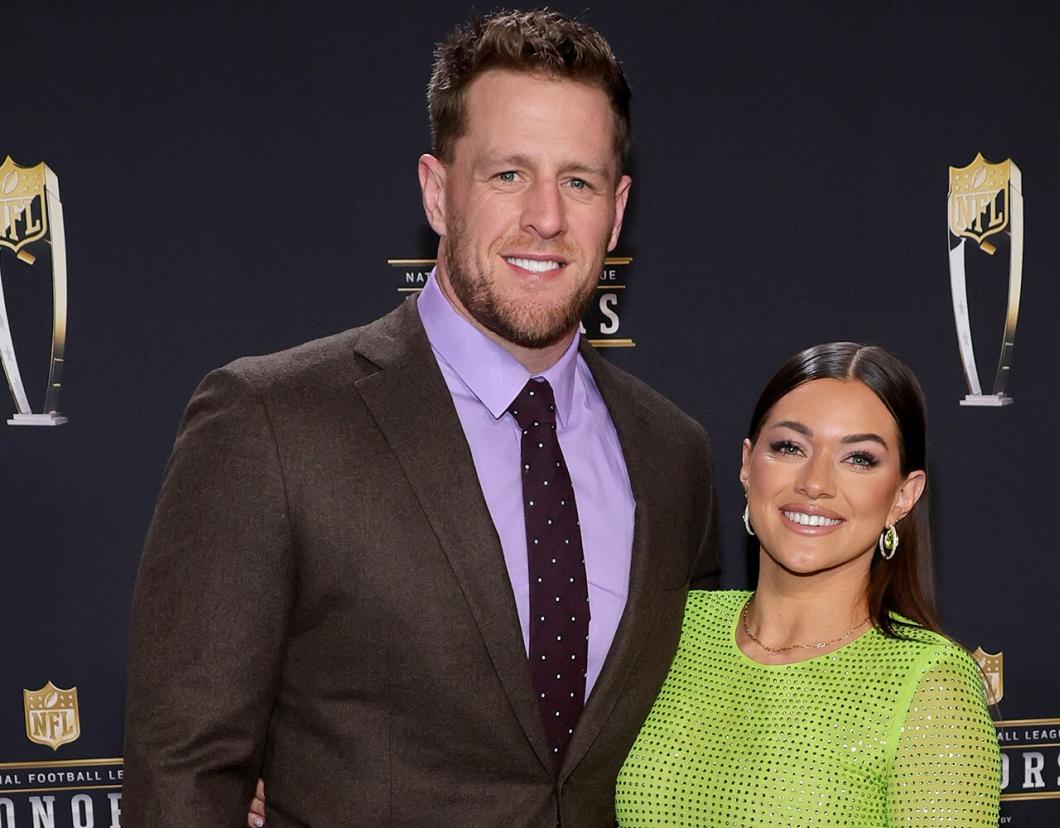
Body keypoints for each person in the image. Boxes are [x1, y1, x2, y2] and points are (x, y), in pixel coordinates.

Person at [122, 10, 717, 826]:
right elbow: (183, 771)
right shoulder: (271, 423)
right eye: (507, 175)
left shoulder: (673, 456)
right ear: (438, 193)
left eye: (576, 181)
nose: (546, 216)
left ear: (615, 211)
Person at [615, 343, 1001, 825]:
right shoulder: (675, 626)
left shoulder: (929, 682)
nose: (815, 483)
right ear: (746, 464)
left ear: (903, 496)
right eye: (789, 447)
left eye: (859, 458)